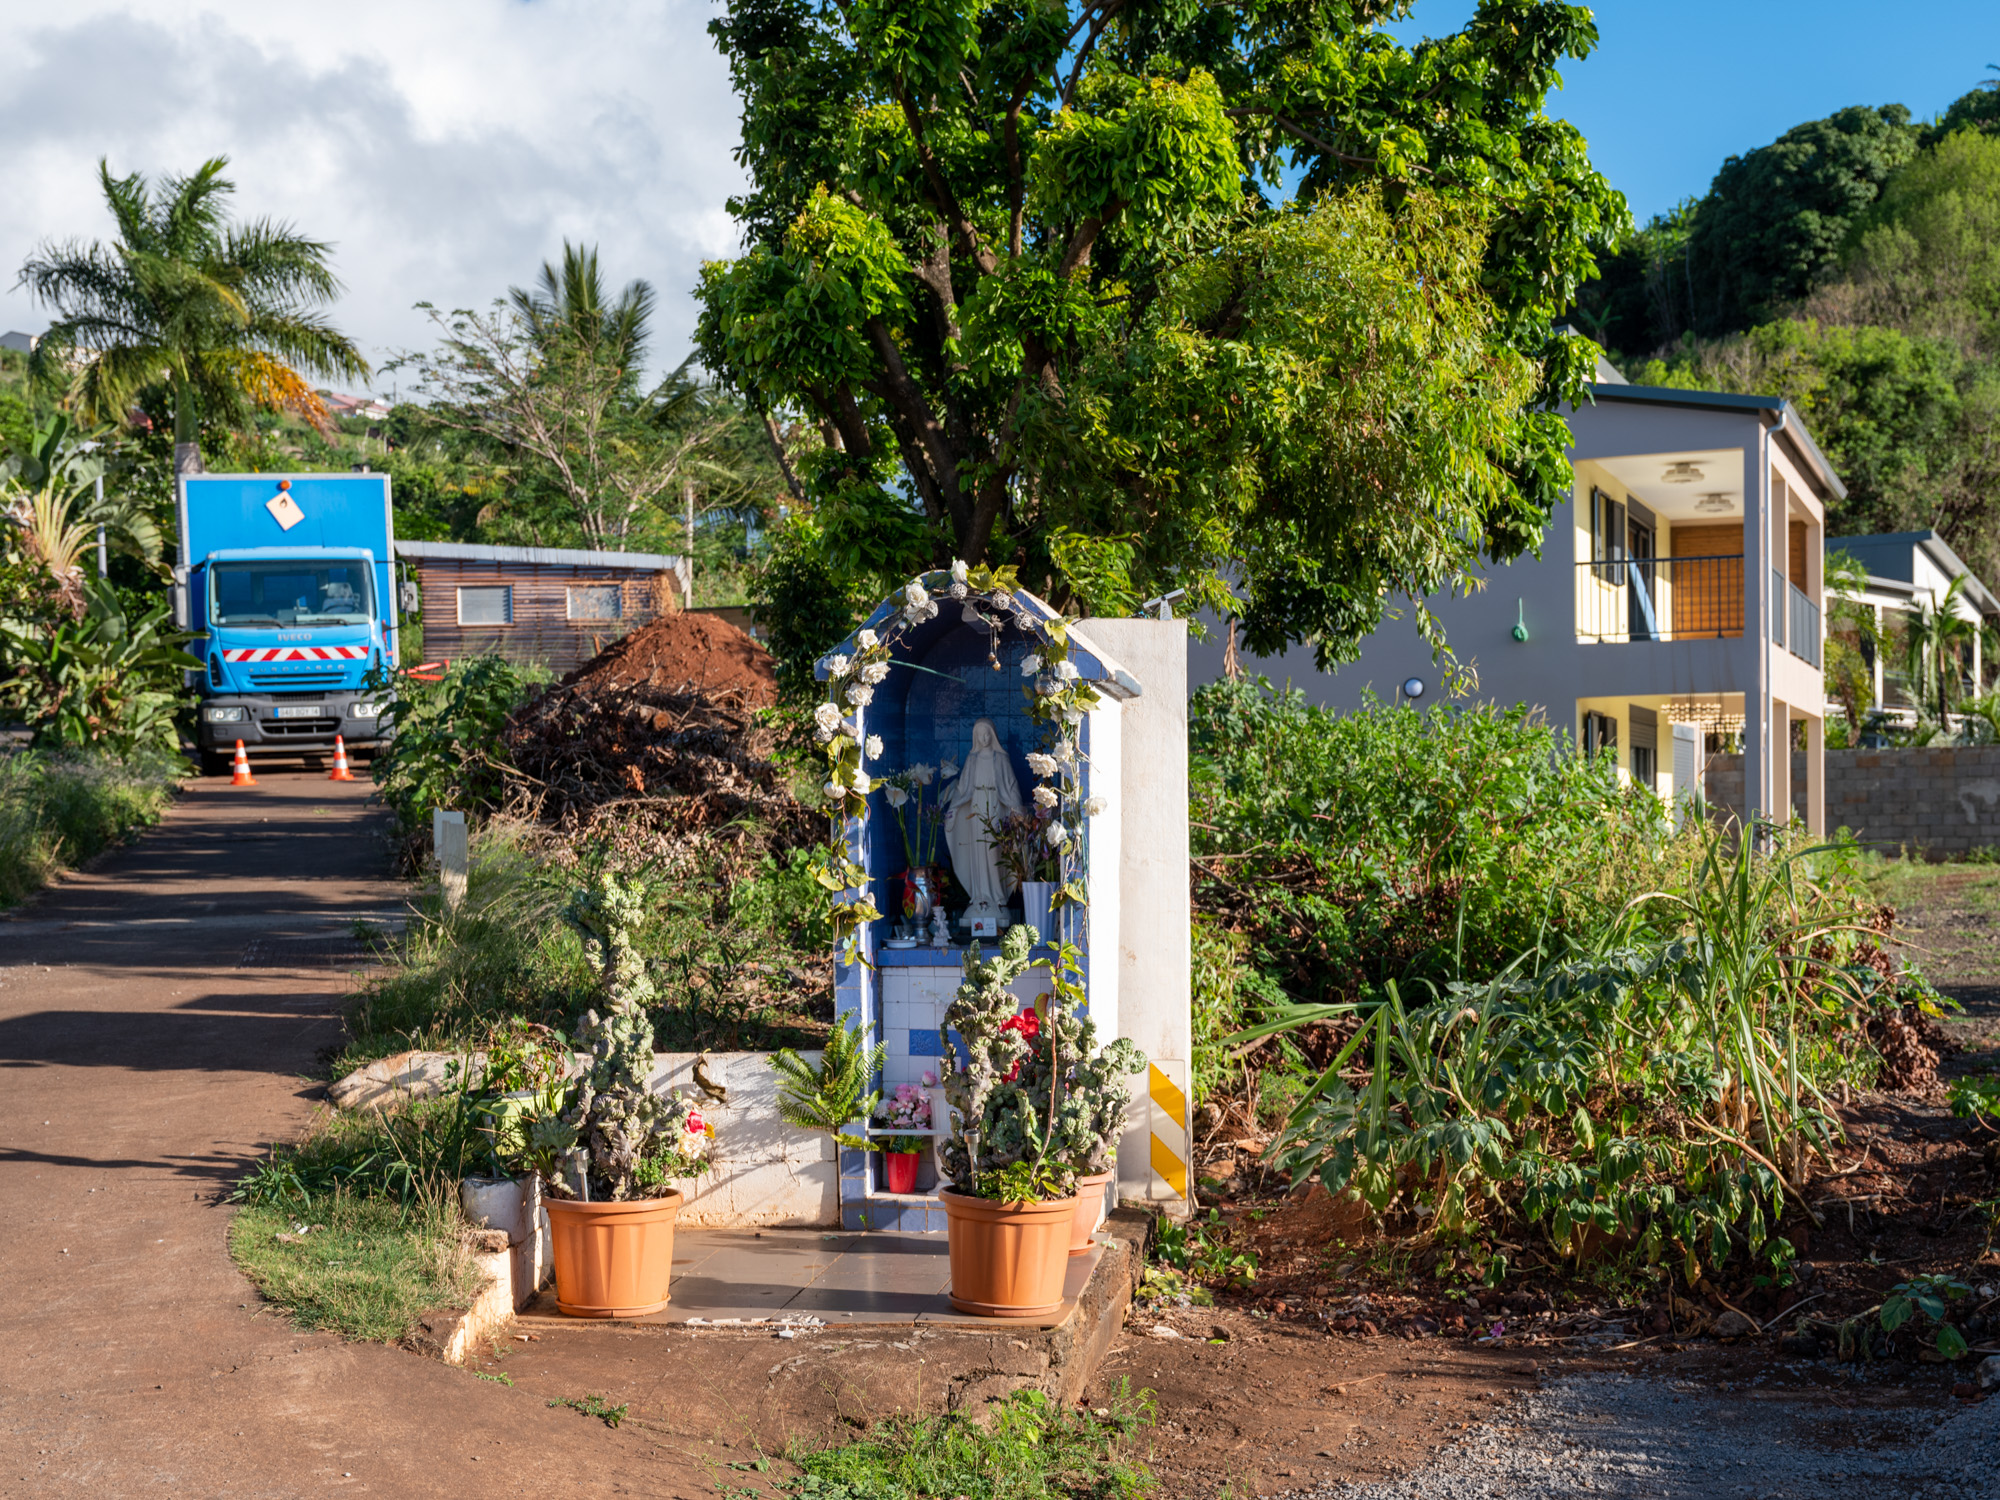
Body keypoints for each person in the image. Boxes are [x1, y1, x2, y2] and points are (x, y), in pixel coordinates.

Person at [942, 718, 1024, 924]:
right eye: (980, 735)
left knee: (993, 849)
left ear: (992, 735)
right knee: (978, 851)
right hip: (976, 807)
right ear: (976, 737)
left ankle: (998, 896)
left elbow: (1011, 785)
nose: (984, 738)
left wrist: (1016, 808)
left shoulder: (1001, 758)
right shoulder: (972, 759)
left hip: (995, 805)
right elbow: (963, 788)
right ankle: (980, 896)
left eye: (987, 734)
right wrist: (953, 808)